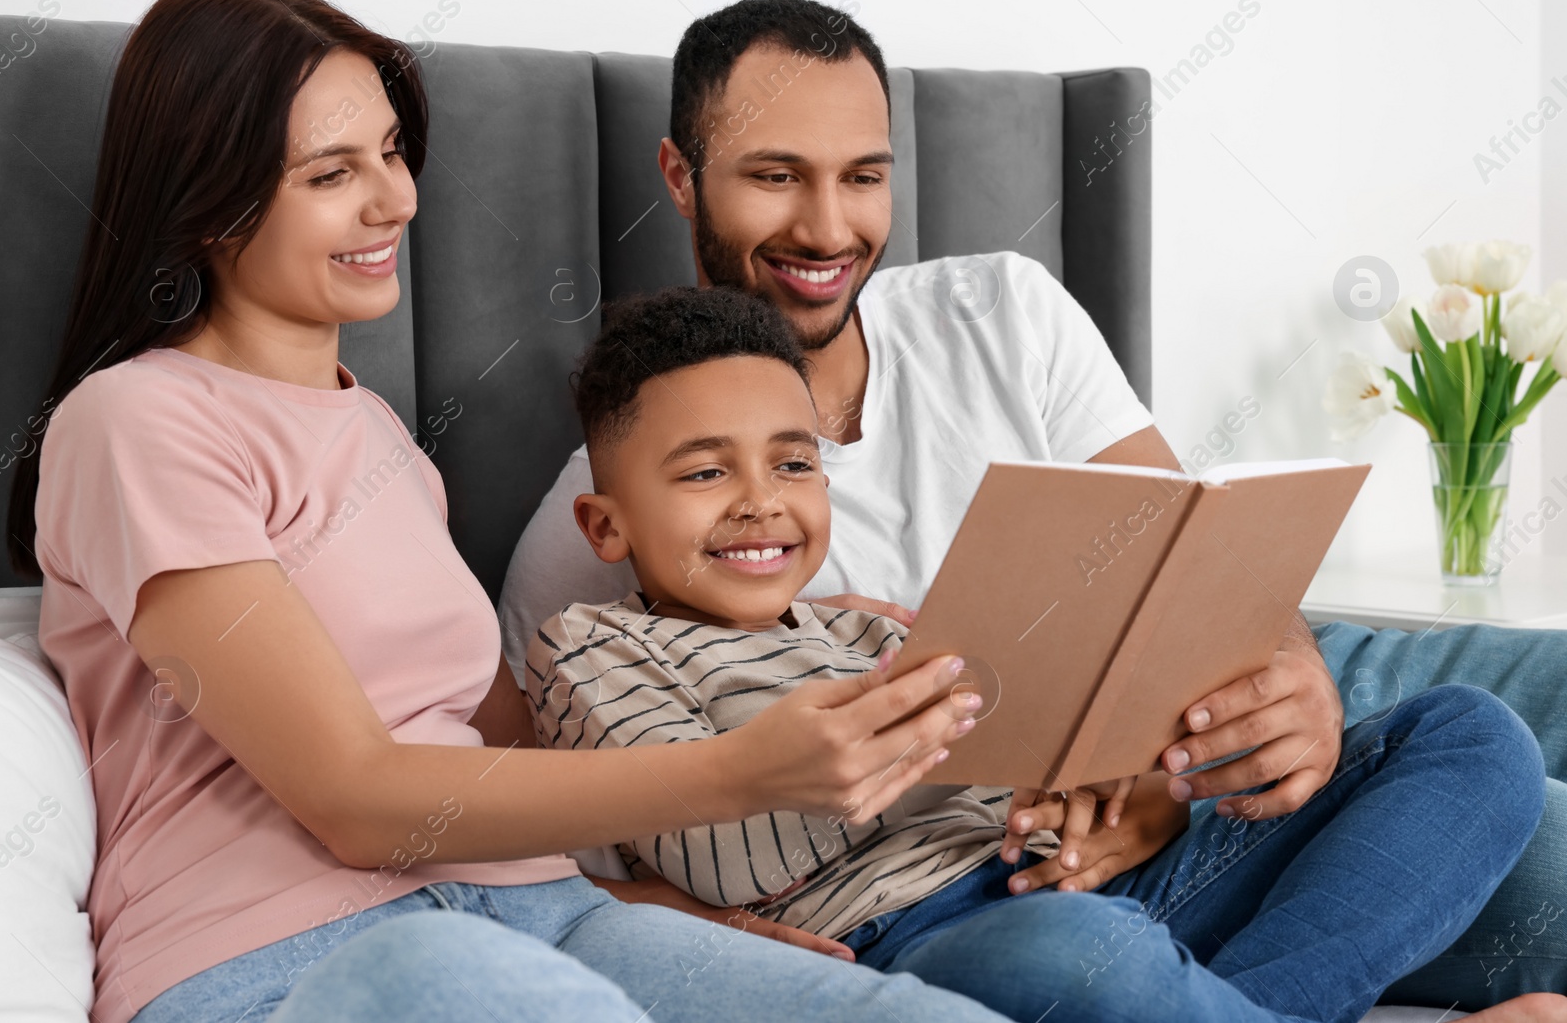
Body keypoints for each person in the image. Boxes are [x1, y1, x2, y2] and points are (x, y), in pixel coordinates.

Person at [4, 0, 1038, 1023]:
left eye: (393, 153)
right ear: (210, 198)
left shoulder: (381, 441)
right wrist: (742, 771)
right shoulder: (134, 419)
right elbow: (357, 799)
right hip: (286, 955)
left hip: (549, 912)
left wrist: (784, 650)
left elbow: (520, 748)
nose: (393, 199)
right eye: (331, 173)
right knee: (465, 982)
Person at [499, 0, 1567, 1009]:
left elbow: (1212, 562)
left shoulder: (999, 307)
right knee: (1529, 896)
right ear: (681, 178)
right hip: (1013, 893)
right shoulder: (586, 564)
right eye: (775, 176)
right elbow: (566, 860)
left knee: (1482, 736)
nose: (828, 228)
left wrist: (1281, 680)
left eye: (863, 176)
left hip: (1221, 714)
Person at [522, 282, 1557, 1022]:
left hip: (1085, 879)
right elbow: (726, 853)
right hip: (923, 934)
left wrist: (1088, 786)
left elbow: (1040, 765)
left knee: (1470, 734)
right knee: (1082, 955)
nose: (761, 498)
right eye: (705, 473)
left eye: (793, 461)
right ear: (605, 525)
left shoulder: (871, 626)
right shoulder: (590, 648)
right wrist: (917, 736)